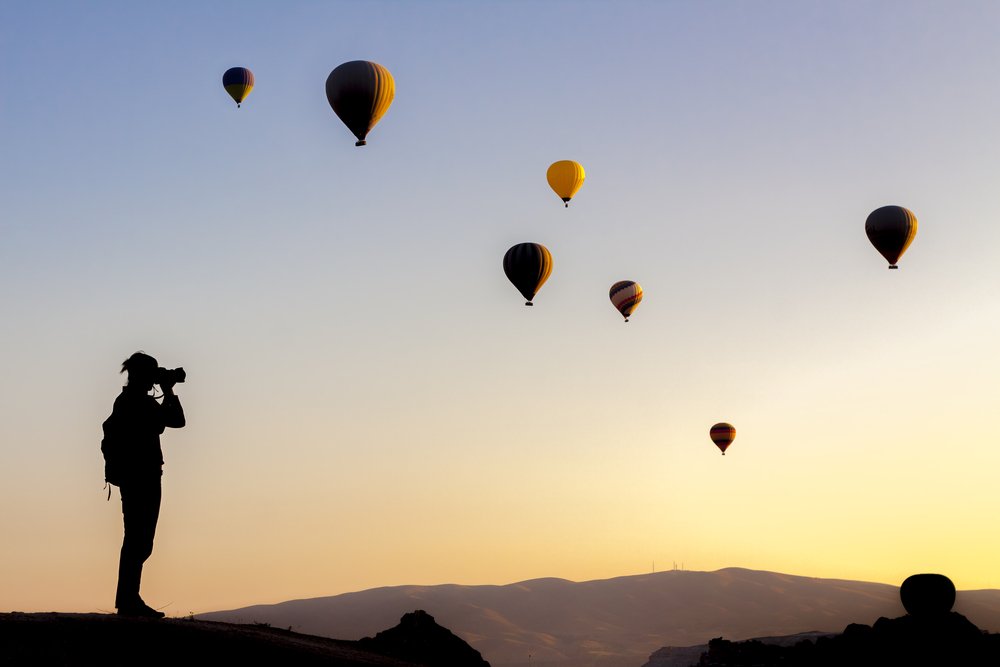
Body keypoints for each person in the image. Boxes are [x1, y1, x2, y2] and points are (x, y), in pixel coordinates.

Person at [106, 351, 185, 618]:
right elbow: (176, 421)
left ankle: (128, 599)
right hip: (142, 477)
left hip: (140, 476)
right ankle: (128, 601)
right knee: (138, 540)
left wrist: (165, 389)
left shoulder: (130, 401)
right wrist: (168, 390)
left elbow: (174, 422)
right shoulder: (134, 402)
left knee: (139, 539)